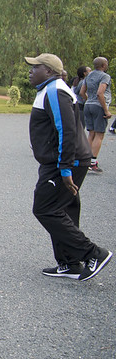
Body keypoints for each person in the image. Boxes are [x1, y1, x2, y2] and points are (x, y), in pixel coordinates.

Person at [24, 53, 111, 281]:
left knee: (45, 208)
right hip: (64, 161)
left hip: (64, 162)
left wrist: (64, 168)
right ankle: (69, 263)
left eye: (36, 67)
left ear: (49, 71)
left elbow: (66, 130)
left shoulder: (54, 91)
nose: (31, 71)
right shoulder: (51, 89)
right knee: (64, 209)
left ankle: (94, 254)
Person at [79, 57, 111, 173]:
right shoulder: (105, 76)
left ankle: (86, 158)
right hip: (99, 106)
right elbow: (100, 93)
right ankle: (93, 162)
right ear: (103, 65)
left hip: (88, 105)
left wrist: (89, 100)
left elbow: (82, 92)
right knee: (99, 134)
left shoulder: (89, 76)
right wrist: (106, 110)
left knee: (91, 133)